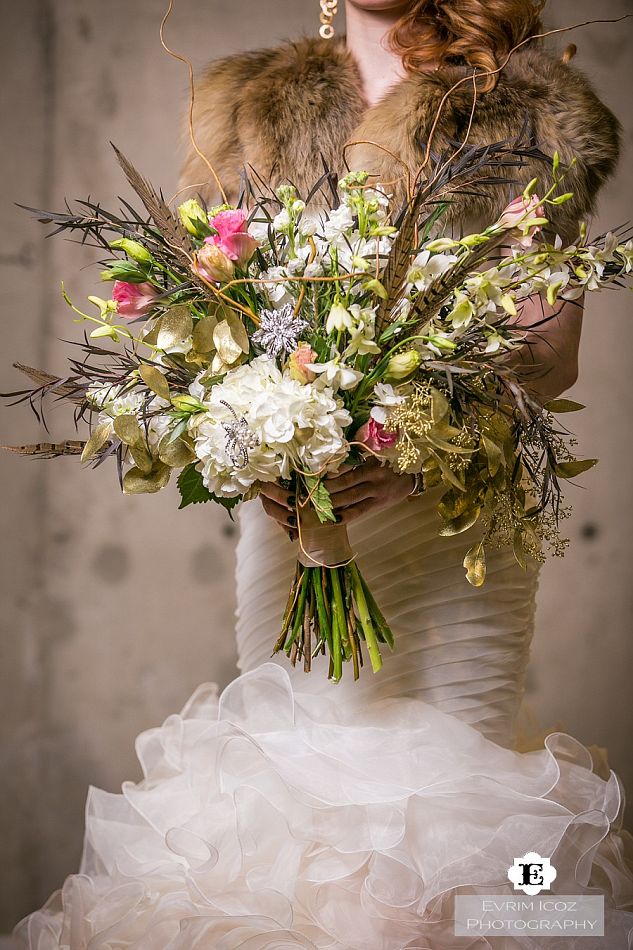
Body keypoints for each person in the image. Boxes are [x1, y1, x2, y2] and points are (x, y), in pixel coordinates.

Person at [15, 1, 633, 947]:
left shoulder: (529, 108)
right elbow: (202, 313)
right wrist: (245, 432)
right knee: (292, 773)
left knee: (450, 805)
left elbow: (548, 352)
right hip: (291, 518)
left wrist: (410, 447)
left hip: (450, 516)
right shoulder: (240, 104)